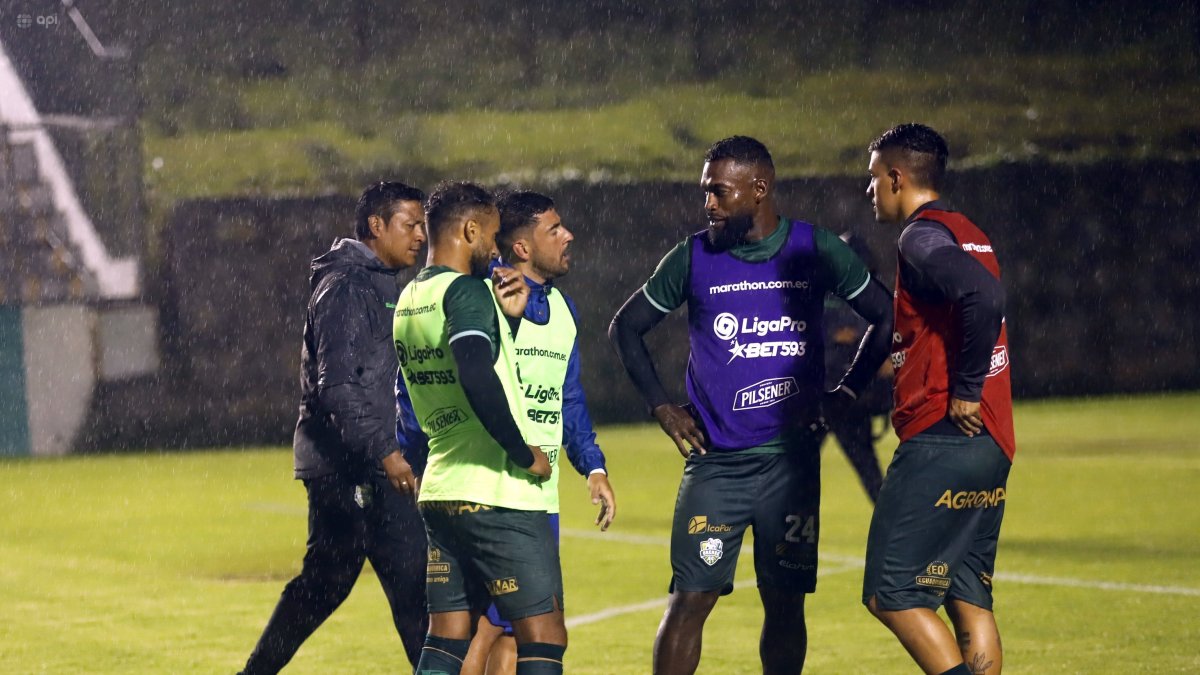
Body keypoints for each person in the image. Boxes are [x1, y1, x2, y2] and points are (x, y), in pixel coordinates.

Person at [608, 136, 894, 675]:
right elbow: (626, 327)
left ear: (759, 189)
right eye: (705, 192)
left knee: (785, 603)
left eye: (718, 191)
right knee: (691, 599)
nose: (708, 204)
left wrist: (848, 392)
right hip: (716, 466)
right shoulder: (693, 256)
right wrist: (662, 407)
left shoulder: (814, 248)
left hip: (791, 466)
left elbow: (886, 314)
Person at [239, 181, 430, 674]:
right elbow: (339, 388)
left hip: (357, 463)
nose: (420, 236)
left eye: (423, 226)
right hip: (355, 469)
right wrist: (386, 451)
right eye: (410, 225)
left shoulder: (380, 284)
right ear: (376, 226)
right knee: (409, 589)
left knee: (334, 585)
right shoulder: (347, 287)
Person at [391, 181, 565, 675]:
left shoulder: (411, 298)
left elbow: (431, 381)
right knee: (544, 634)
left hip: (443, 489)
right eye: (490, 233)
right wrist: (521, 451)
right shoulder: (465, 291)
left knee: (447, 636)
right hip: (495, 490)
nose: (495, 245)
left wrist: (506, 325)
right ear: (469, 230)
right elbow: (472, 371)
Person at [860, 123, 1015, 675]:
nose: (870, 190)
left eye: (874, 178)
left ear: (897, 177)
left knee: (892, 594)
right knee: (967, 593)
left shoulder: (919, 237)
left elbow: (984, 294)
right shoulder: (968, 229)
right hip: (992, 443)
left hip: (943, 438)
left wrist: (966, 391)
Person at [454, 190, 617, 675]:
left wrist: (593, 466)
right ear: (521, 248)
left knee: (513, 632)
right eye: (554, 229)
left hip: (539, 497)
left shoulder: (564, 312)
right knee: (489, 629)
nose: (568, 236)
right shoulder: (481, 299)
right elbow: (466, 382)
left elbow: (569, 400)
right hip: (494, 490)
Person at [822, 232, 890, 503]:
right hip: (823, 395)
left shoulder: (871, 297)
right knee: (793, 468)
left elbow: (884, 338)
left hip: (849, 398)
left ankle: (896, 529)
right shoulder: (817, 295)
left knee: (870, 472)